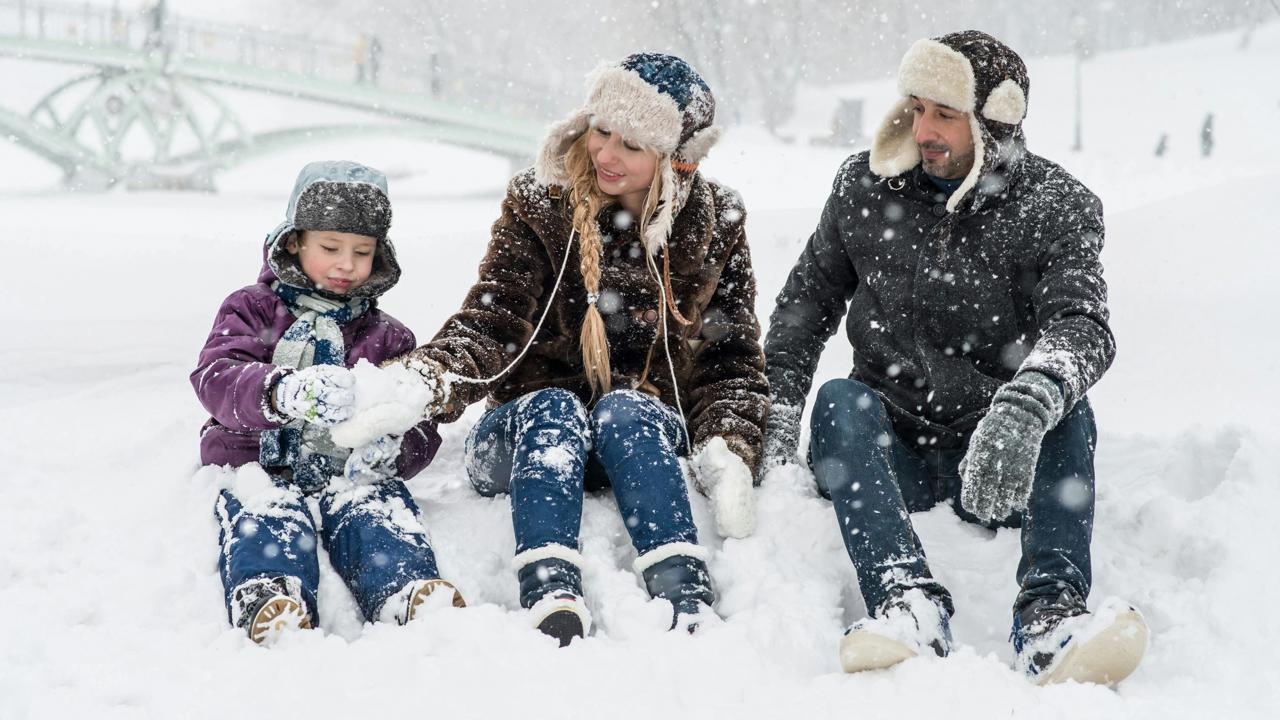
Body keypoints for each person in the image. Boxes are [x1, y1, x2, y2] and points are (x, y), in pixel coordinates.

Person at [761, 31, 1147, 685]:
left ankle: (1052, 619)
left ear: (992, 123)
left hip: (1000, 463)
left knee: (1066, 407)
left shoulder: (1056, 206)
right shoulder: (863, 187)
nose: (924, 128)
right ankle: (905, 602)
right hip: (890, 453)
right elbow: (803, 311)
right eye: (916, 108)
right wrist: (772, 415)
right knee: (837, 401)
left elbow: (1083, 325)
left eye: (945, 114)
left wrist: (1027, 404)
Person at [388, 53, 769, 646]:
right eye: (602, 130)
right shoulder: (540, 202)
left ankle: (682, 589)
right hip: (526, 437)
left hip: (636, 443)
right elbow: (494, 318)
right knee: (555, 410)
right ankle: (550, 587)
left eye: (633, 145)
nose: (606, 154)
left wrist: (729, 442)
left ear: (675, 159)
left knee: (628, 409)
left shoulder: (717, 220)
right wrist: (426, 378)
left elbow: (732, 355)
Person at [192, 160, 464, 645]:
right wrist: (280, 391)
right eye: (331, 248)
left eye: (362, 252)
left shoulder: (388, 337)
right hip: (256, 460)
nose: (346, 265)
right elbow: (217, 376)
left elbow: (418, 421)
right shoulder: (252, 309)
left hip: (348, 471)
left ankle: (404, 587)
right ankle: (271, 592)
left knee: (377, 509)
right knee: (267, 511)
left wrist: (395, 449)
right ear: (294, 241)